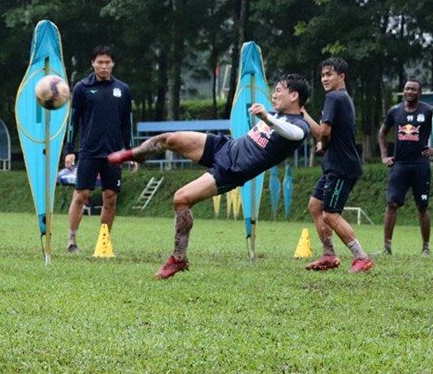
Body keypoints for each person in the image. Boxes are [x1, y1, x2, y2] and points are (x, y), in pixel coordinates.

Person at [108, 73, 311, 279]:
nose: (273, 95)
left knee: (181, 199)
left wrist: (267, 118)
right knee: (171, 139)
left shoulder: (299, 125)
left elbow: (294, 134)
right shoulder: (276, 114)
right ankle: (133, 154)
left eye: (278, 90)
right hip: (226, 147)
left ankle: (178, 258)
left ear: (294, 96)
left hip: (232, 170)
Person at [303, 58, 373, 273]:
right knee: (315, 206)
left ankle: (362, 257)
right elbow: (328, 134)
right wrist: (323, 143)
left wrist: (320, 140)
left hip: (342, 167)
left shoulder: (334, 97)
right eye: (323, 75)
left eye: (329, 74)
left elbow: (323, 132)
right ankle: (329, 255)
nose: (324, 78)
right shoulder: (340, 98)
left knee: (330, 214)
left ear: (341, 77)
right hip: (334, 165)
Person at [64, 45, 136, 253]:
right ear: (92, 64)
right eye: (99, 62)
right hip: (89, 151)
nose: (103, 66)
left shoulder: (123, 89)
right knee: (81, 194)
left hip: (114, 154)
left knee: (110, 198)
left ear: (112, 64)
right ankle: (71, 241)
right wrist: (70, 150)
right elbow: (73, 121)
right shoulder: (82, 88)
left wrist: (131, 152)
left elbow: (127, 124)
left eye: (107, 62)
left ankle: (103, 242)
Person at [378, 79, 433, 256]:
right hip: (400, 165)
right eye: (407, 88)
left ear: (420, 92)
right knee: (392, 204)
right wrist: (384, 156)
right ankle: (387, 247)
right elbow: (382, 133)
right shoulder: (395, 111)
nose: (409, 91)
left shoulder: (428, 111)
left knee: (422, 206)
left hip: (420, 165)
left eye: (413, 89)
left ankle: (426, 247)